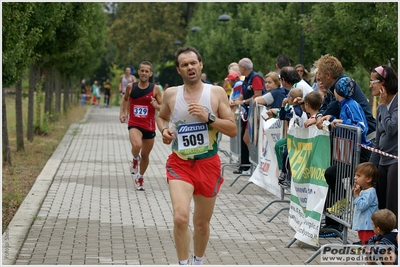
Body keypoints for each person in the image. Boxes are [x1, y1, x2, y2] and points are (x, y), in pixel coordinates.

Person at [156, 46, 237, 265]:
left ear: (201, 65)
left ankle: (197, 261)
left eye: (193, 63)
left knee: (201, 224)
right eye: (185, 64)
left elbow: (232, 129)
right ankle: (183, 263)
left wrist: (208, 117)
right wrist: (164, 131)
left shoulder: (216, 92)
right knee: (180, 217)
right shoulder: (172, 94)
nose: (190, 67)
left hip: (208, 164)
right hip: (180, 164)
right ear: (178, 70)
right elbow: (161, 117)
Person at [313, 55, 376, 237]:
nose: (319, 81)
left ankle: (339, 221)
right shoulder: (336, 88)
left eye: (320, 76)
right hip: (349, 145)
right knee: (334, 173)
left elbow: (353, 120)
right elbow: (328, 107)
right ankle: (335, 219)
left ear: (327, 74)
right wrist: (322, 117)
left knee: (336, 174)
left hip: (363, 145)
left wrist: (328, 118)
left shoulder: (343, 86)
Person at [119, 61, 162, 191]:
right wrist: (123, 112)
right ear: (138, 72)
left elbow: (163, 108)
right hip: (135, 123)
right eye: (142, 70)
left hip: (149, 125)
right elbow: (126, 99)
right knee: (137, 145)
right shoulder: (131, 87)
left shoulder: (155, 89)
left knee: (145, 155)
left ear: (150, 73)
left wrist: (156, 106)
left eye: (146, 71)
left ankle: (140, 176)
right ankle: (134, 159)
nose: (144, 73)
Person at [369, 65, 398, 228]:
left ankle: (393, 238)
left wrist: (384, 105)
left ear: (384, 83)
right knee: (381, 203)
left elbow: (392, 128)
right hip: (383, 160)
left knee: (392, 205)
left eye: (373, 81)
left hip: (395, 161)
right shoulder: (381, 107)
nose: (370, 85)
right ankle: (381, 237)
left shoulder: (394, 102)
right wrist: (370, 168)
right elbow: (378, 140)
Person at [232, 58, 266, 174]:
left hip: (254, 112)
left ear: (243, 68)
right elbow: (241, 95)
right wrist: (235, 101)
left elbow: (257, 95)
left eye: (239, 67)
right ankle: (245, 164)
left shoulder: (255, 78)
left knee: (247, 138)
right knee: (243, 137)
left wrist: (243, 102)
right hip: (246, 113)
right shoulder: (246, 78)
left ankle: (250, 165)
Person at [271, 88, 308, 188]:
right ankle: (282, 172)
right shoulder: (292, 108)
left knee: (286, 153)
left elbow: (295, 115)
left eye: (288, 97)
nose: (287, 98)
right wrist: (283, 106)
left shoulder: (298, 110)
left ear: (292, 98)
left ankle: (284, 174)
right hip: (293, 137)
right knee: (279, 146)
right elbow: (283, 117)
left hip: (299, 138)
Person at [350, 162, 379, 245]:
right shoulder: (364, 190)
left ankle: (368, 250)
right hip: (364, 223)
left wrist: (356, 195)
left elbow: (362, 206)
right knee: (362, 237)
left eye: (358, 176)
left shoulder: (370, 192)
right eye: (355, 175)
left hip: (368, 225)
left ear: (368, 179)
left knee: (367, 240)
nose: (355, 178)